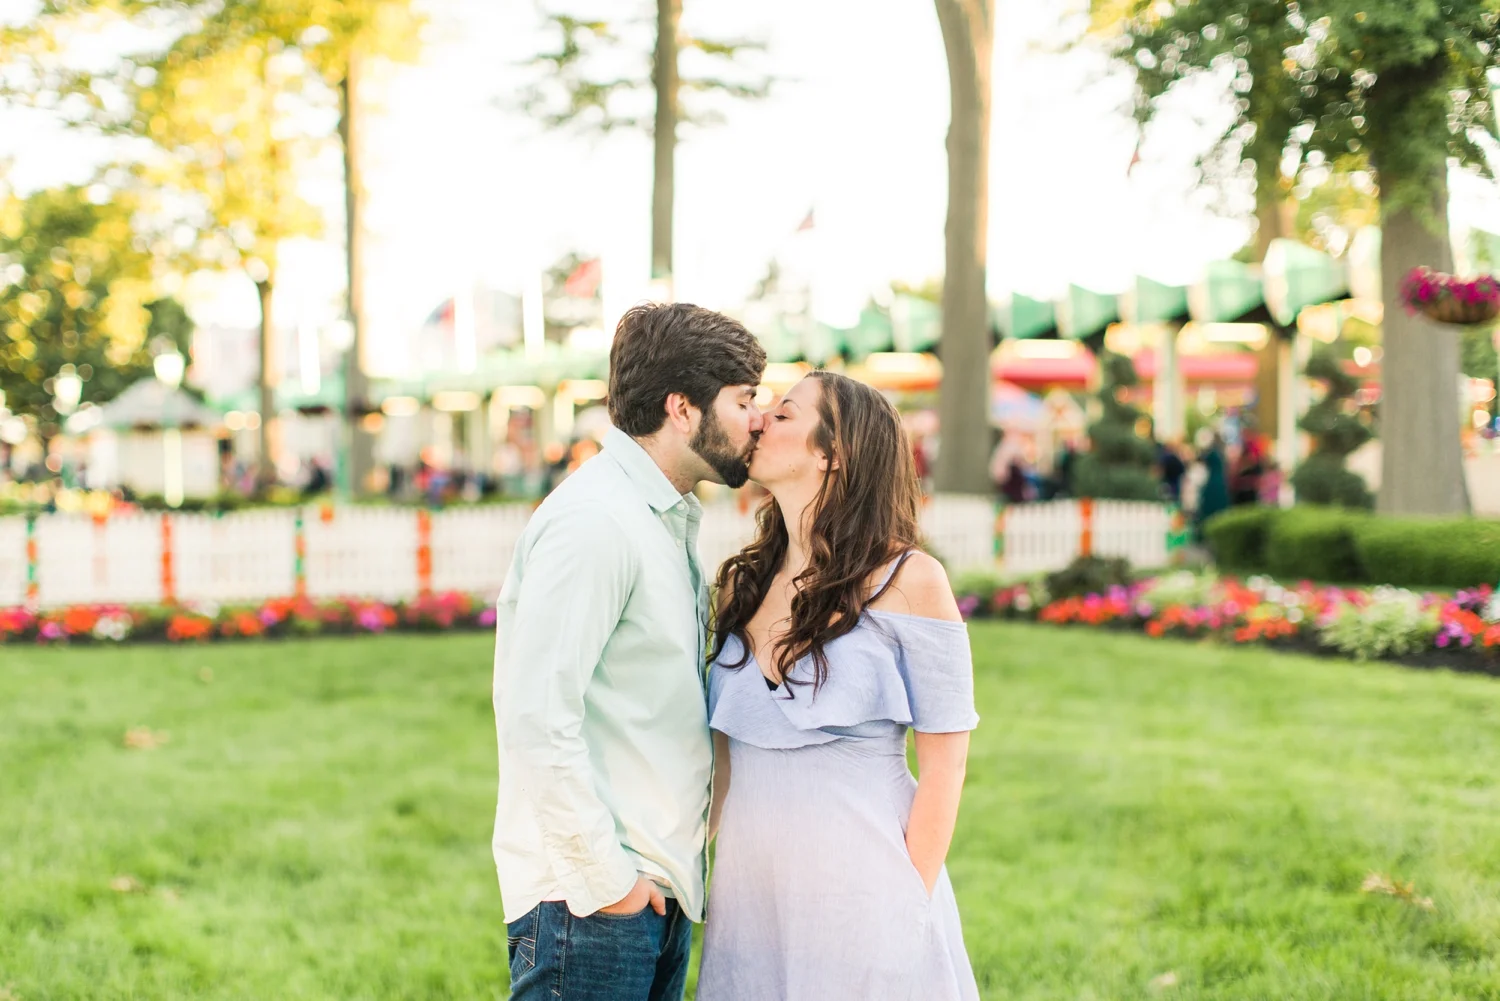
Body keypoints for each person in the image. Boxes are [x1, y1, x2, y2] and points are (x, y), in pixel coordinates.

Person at [491, 302, 767, 1001]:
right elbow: (534, 715)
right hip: (589, 904)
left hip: (647, 891)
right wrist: (608, 882)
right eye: (744, 400)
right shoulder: (596, 522)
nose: (756, 419)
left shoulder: (660, 517)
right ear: (682, 407)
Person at [699, 371, 980, 1001]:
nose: (759, 420)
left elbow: (945, 766)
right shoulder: (738, 585)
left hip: (866, 894)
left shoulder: (912, 579)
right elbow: (720, 762)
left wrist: (910, 896)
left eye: (786, 413)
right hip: (749, 901)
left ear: (833, 452)